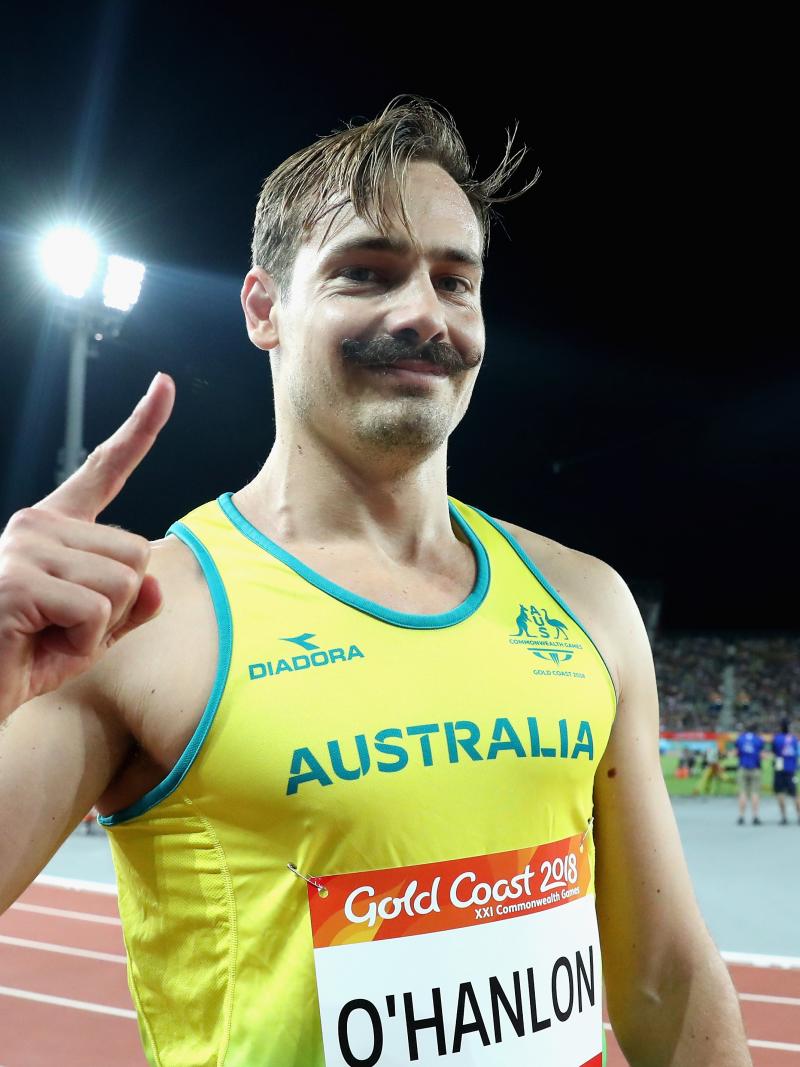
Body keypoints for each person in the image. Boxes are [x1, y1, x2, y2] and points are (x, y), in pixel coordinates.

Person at [0, 97, 751, 1066]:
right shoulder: (141, 615)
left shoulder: (585, 601)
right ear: (264, 307)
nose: (421, 314)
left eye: (454, 280)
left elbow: (662, 975)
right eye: (366, 272)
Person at [735, 723, 765, 825]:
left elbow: (737, 753)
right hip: (755, 768)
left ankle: (741, 816)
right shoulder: (759, 739)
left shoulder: (740, 739)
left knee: (742, 793)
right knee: (755, 793)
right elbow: (761, 754)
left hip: (743, 767)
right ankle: (755, 816)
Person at [771, 718, 800, 824]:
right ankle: (798, 816)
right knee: (795, 794)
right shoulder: (794, 739)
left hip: (779, 768)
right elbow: (797, 754)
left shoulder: (777, 739)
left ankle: (784, 817)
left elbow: (774, 752)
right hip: (791, 769)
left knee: (780, 793)